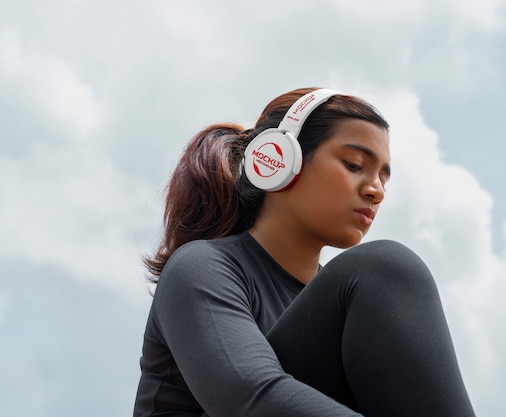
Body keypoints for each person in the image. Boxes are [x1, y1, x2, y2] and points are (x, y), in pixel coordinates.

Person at [133, 87, 476, 417]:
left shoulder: (347, 307)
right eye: (355, 165)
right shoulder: (202, 267)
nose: (377, 192)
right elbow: (249, 398)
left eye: (384, 179)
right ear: (280, 160)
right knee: (385, 268)